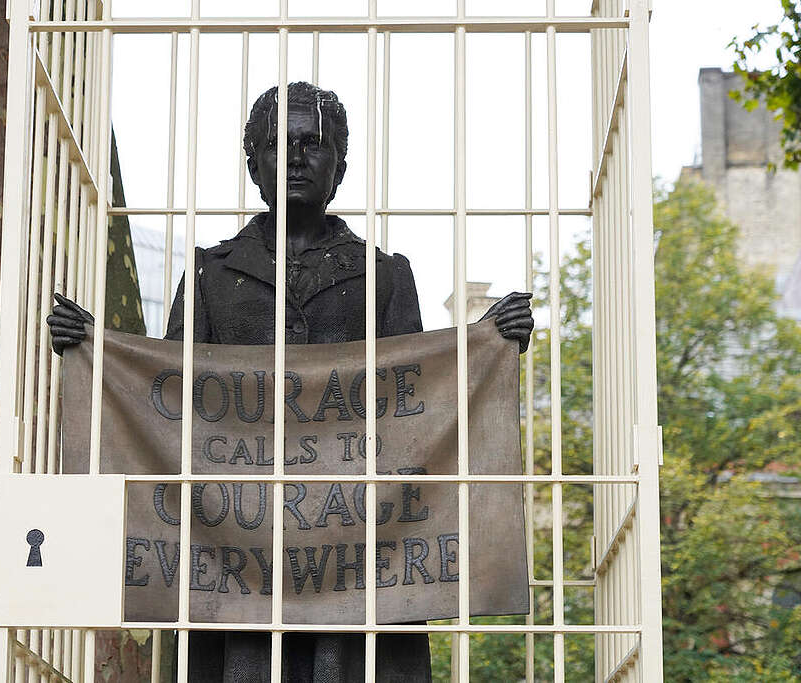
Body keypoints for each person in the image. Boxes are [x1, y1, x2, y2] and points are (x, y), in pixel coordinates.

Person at [49, 82, 532, 682]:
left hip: (361, 560)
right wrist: (96, 351)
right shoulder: (209, 276)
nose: (296, 157)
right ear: (254, 163)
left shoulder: (385, 277)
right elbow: (166, 404)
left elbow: (418, 410)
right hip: (236, 563)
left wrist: (484, 345)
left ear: (341, 164)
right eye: (278, 144)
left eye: (312, 143)